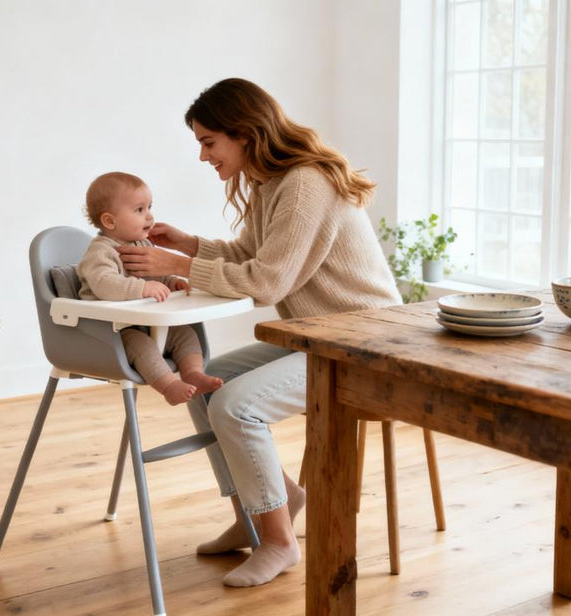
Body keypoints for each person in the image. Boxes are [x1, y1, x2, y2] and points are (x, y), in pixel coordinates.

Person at [116, 77, 402, 588]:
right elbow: (253, 256)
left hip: (367, 342)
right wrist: (190, 245)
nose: (204, 156)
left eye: (209, 142)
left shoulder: (305, 183)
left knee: (235, 404)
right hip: (322, 336)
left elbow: (267, 282)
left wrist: (175, 261)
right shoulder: (275, 183)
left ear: (244, 134)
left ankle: (279, 542)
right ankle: (266, 509)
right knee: (207, 381)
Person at [76, 171, 224, 405]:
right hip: (111, 333)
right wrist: (142, 289)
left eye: (149, 207)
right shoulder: (100, 252)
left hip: (145, 322)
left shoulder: (142, 245)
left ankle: (193, 373)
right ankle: (169, 386)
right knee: (140, 344)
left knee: (184, 333)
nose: (149, 216)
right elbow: (105, 285)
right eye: (139, 210)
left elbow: (153, 277)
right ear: (109, 221)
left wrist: (170, 282)